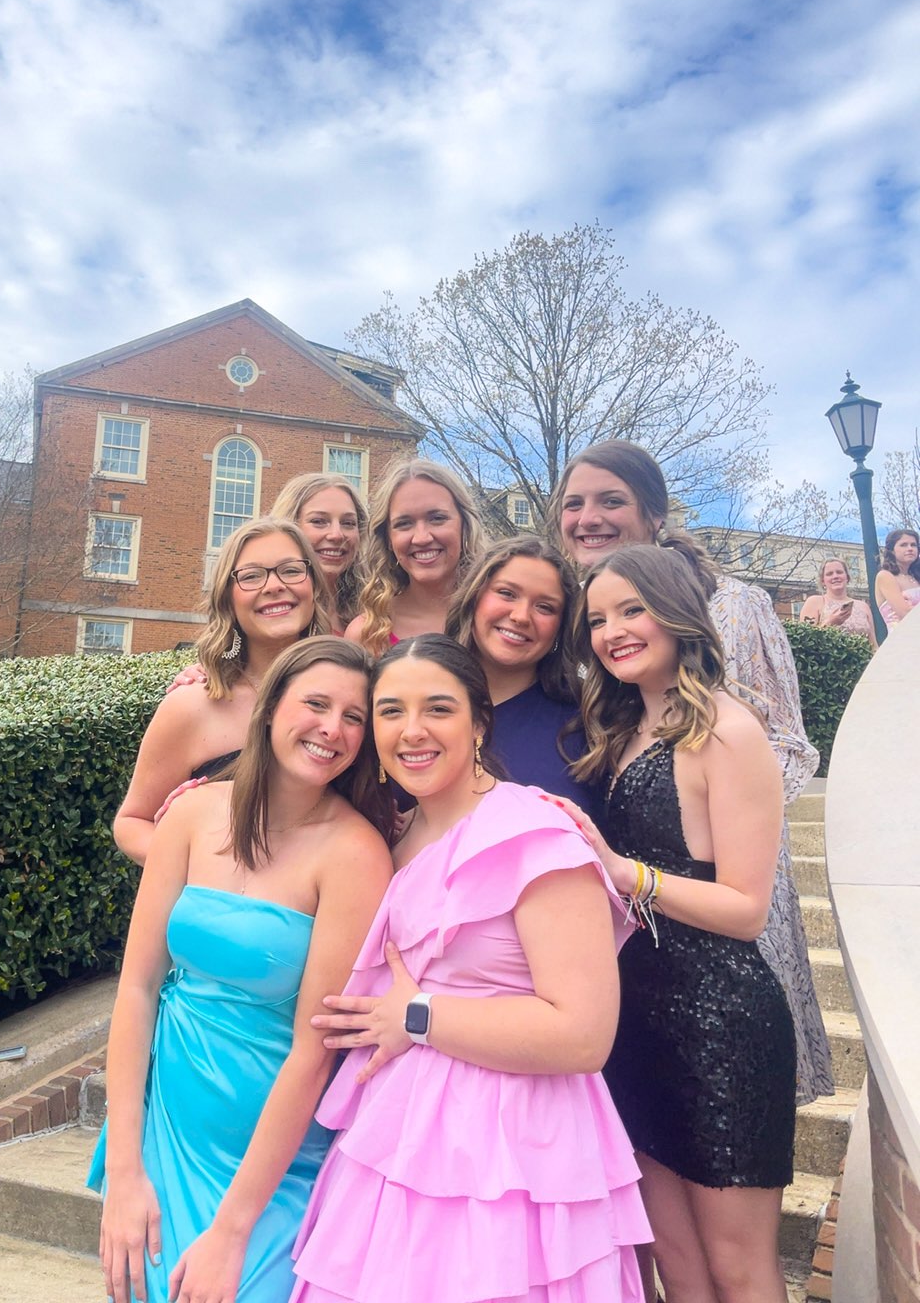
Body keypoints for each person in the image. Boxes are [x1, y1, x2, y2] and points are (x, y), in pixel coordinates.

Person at [290, 634, 650, 1303]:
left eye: (438, 709)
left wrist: (418, 1016)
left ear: (480, 722)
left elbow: (583, 1035)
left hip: (513, 1152)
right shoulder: (394, 833)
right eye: (391, 711)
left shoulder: (536, 835)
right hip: (396, 1139)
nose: (413, 730)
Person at [90, 637, 395, 1303]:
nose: (333, 728)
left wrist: (232, 1230)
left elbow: (315, 1051)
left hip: (269, 1170)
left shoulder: (356, 853)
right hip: (165, 1134)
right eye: (316, 704)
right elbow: (137, 988)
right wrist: (125, 1169)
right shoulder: (192, 814)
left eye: (354, 717)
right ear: (271, 705)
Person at [552, 439, 833, 1106]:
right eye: (574, 504)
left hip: (723, 898)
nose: (589, 517)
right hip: (634, 933)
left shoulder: (733, 606)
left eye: (611, 501)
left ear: (655, 514)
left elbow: (785, 741)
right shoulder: (581, 624)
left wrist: (718, 810)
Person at [560, 545, 795, 1303]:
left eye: (632, 610)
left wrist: (624, 872)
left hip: (721, 1024)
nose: (613, 632)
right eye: (599, 619)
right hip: (638, 1022)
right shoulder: (624, 727)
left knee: (737, 1268)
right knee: (677, 1263)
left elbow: (746, 909)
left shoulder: (727, 730)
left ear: (676, 613)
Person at [112, 518, 332, 865]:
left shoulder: (351, 697)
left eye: (291, 571)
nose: (274, 586)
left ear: (314, 586)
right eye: (251, 576)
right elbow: (132, 823)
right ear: (228, 599)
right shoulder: (192, 705)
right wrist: (208, 870)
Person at [444, 534, 604, 816]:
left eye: (545, 607)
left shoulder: (590, 719)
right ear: (475, 597)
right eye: (507, 593)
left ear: (561, 626)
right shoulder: (416, 695)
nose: (521, 616)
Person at [346, 458, 487, 655]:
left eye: (437, 518)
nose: (422, 538)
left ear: (465, 526)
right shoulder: (367, 633)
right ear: (388, 539)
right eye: (404, 523)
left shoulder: (496, 620)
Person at [270, 473, 368, 631]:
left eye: (348, 523)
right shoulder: (273, 608)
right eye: (318, 521)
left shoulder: (376, 609)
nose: (336, 535)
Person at [799, 558, 877, 647]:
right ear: (823, 581)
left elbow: (873, 644)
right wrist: (830, 622)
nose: (835, 576)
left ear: (847, 577)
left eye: (839, 572)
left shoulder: (863, 606)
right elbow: (805, 641)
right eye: (829, 574)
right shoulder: (814, 602)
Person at [874, 528, 920, 629]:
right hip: (903, 634)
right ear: (892, 550)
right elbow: (904, 613)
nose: (910, 548)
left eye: (913, 545)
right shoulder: (885, 576)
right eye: (903, 545)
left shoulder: (916, 577)